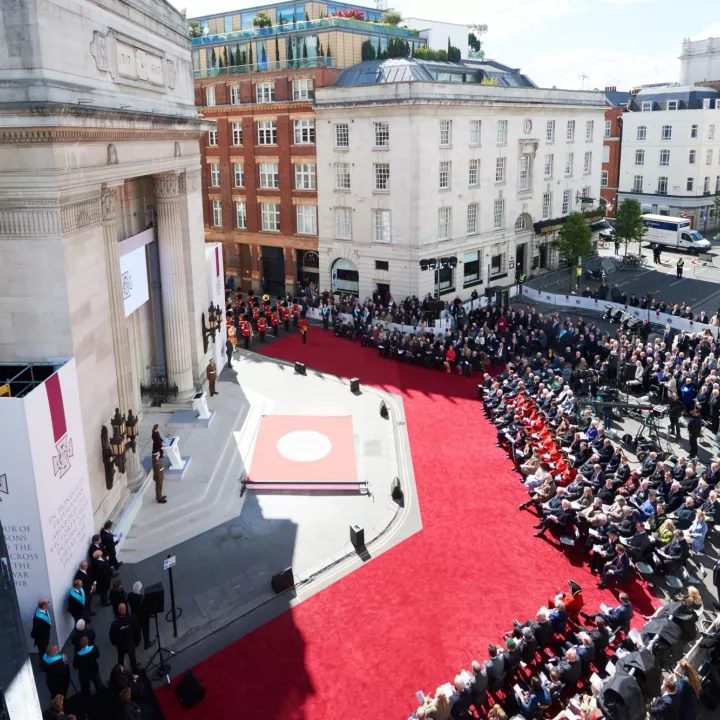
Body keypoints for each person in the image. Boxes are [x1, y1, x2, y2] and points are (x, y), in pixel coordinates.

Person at [109, 603, 141, 673]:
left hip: (120, 646)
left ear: (118, 611)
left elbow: (112, 637)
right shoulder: (132, 619)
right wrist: (137, 641)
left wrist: (115, 643)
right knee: (132, 658)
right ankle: (135, 671)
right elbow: (137, 631)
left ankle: (120, 672)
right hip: (131, 644)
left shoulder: (115, 624)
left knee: (120, 659)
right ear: (126, 610)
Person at [128, 581, 154, 650]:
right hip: (143, 617)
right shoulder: (141, 598)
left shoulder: (129, 595)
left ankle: (137, 641)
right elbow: (145, 607)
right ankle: (147, 644)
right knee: (145, 631)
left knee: (137, 629)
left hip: (134, 616)